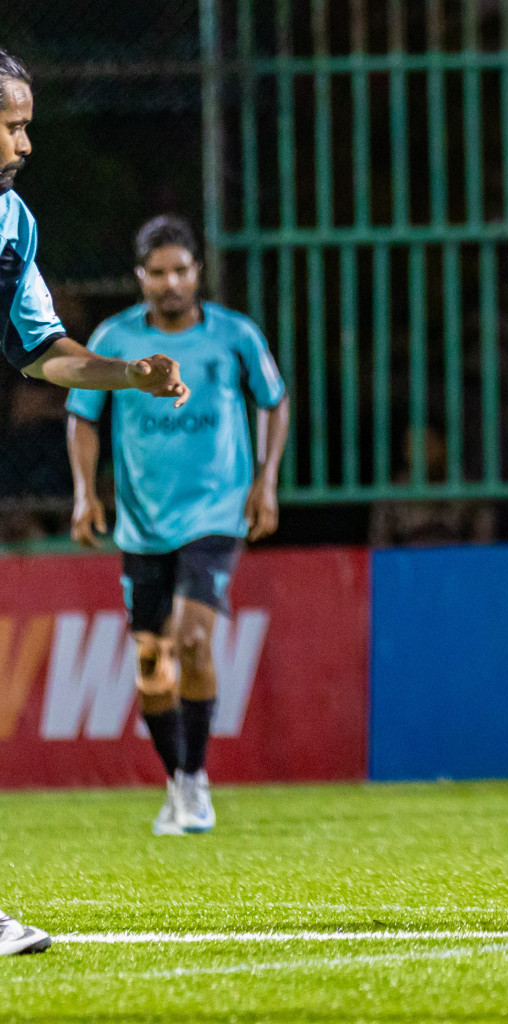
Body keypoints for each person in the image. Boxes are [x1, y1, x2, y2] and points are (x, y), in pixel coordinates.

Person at [0, 47, 188, 955]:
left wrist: (127, 376)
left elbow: (42, 350)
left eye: (27, 120)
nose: (25, 140)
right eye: (10, 123)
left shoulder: (12, 223)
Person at [65, 214, 289, 838]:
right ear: (140, 277)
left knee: (192, 641)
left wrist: (265, 482)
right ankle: (178, 779)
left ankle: (195, 783)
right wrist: (86, 494)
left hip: (215, 514)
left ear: (198, 273)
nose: (170, 283)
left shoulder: (234, 336)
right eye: (158, 272)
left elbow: (273, 401)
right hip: (141, 525)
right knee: (149, 663)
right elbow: (82, 415)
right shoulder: (114, 338)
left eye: (181, 271)